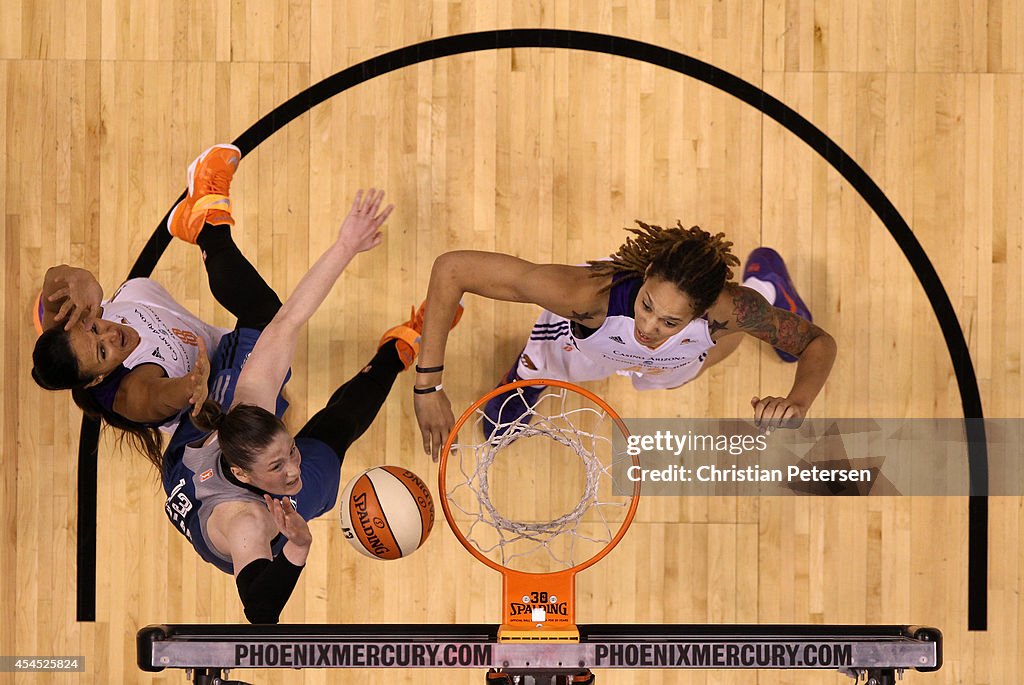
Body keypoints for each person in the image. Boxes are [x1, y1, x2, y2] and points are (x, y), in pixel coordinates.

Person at [161, 188, 462, 624]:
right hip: (231, 508)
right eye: (279, 468)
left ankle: (206, 227)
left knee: (274, 331)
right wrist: (298, 547)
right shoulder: (247, 524)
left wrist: (346, 245)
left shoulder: (250, 404)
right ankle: (396, 352)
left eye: (290, 453)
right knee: (333, 440)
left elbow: (289, 319)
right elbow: (260, 611)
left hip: (190, 457)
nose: (293, 471)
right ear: (245, 475)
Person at [413, 221, 837, 460]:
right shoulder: (584, 296)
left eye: (670, 320)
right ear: (647, 273)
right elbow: (453, 269)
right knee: (544, 361)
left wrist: (798, 402)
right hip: (578, 344)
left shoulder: (727, 311)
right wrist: (428, 384)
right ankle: (530, 381)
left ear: (703, 309)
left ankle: (766, 286)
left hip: (669, 363)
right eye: (647, 304)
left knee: (698, 360)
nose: (649, 326)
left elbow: (818, 343)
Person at [31, 144, 285, 468]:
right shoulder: (129, 394)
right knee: (272, 328)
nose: (110, 336)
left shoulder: (71, 331)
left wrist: (78, 276)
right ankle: (199, 225)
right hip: (209, 372)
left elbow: (54, 281)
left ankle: (207, 222)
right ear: (96, 379)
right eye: (102, 353)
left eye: (95, 329)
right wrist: (191, 387)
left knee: (271, 328)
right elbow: (157, 397)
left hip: (150, 307)